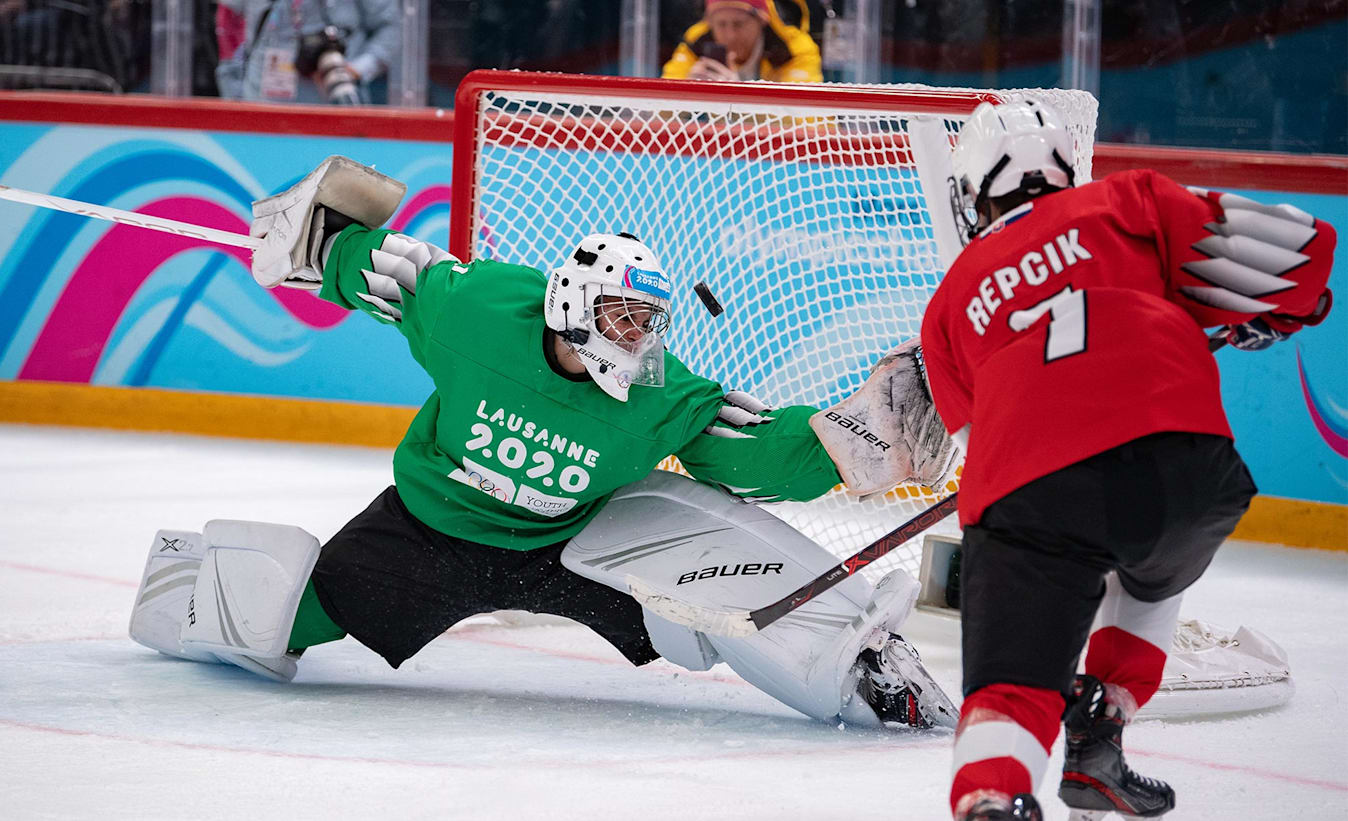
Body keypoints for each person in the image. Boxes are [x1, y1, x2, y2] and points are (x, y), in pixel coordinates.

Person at [128, 156, 963, 731]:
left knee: (707, 599)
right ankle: (183, 594)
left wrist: (857, 444)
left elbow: (747, 449)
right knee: (277, 618)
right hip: (431, 529)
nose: (637, 339)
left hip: (567, 544)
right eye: (622, 317)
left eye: (648, 322)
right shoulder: (479, 309)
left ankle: (864, 672)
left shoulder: (657, 394)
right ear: (570, 302)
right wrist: (318, 248)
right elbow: (393, 274)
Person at [921, 100, 1336, 820]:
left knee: (1012, 682)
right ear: (1064, 170)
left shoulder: (948, 304)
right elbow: (1303, 252)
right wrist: (1281, 311)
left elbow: (975, 443)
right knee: (1146, 569)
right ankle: (1102, 728)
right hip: (1187, 470)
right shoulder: (1126, 201)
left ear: (972, 194)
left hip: (1030, 486)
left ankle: (991, 794)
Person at [215, 0, 398, 105]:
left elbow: (391, 27)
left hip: (334, 102)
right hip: (261, 103)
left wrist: (356, 69)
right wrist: (232, 89)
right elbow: (229, 22)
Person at [662, 0, 820, 84]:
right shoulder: (696, 43)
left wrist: (739, 98)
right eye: (721, 24)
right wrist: (684, 93)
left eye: (739, 24)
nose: (730, 35)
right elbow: (657, 111)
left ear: (762, 20)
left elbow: (806, 120)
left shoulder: (794, 49)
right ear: (709, 22)